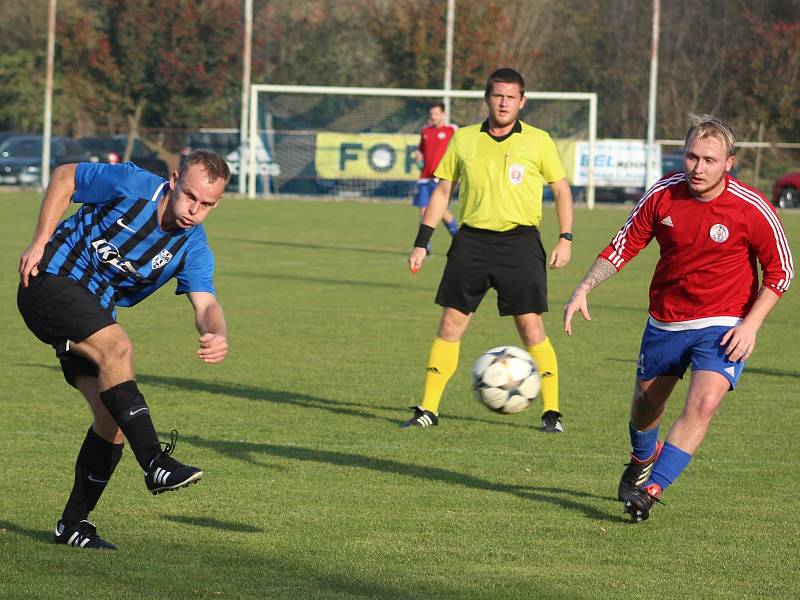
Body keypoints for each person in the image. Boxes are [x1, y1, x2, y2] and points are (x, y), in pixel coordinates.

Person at [563, 114, 793, 522]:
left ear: (729, 162)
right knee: (644, 405)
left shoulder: (751, 207)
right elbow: (623, 245)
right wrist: (584, 287)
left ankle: (650, 492)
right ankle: (641, 458)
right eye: (691, 156)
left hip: (725, 324)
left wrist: (751, 324)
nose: (698, 168)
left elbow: (781, 271)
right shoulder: (663, 195)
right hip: (666, 320)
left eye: (709, 159)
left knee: (703, 404)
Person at [17, 150, 231, 549]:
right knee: (118, 345)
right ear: (173, 180)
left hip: (90, 309)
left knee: (111, 419)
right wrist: (39, 240)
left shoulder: (193, 247)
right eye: (190, 196)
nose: (194, 210)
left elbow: (207, 305)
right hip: (50, 279)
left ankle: (74, 525)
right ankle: (154, 462)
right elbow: (65, 177)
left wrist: (216, 333)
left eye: (207, 205)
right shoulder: (132, 185)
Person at [403, 67, 574, 433]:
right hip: (472, 243)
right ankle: (427, 409)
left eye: (511, 97)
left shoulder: (539, 141)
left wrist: (566, 237)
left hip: (520, 243)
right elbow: (443, 191)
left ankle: (552, 412)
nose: (504, 102)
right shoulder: (463, 139)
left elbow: (561, 190)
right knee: (451, 322)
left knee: (531, 327)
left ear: (522, 101)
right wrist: (422, 241)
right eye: (498, 95)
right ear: (487, 98)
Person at [413, 102, 458, 252]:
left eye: (436, 114)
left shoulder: (452, 130)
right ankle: (425, 245)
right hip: (424, 178)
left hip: (441, 178)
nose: (433, 116)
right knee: (423, 211)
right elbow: (421, 150)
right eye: (431, 114)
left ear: (443, 115)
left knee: (441, 211)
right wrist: (418, 156)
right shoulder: (425, 131)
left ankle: (456, 234)